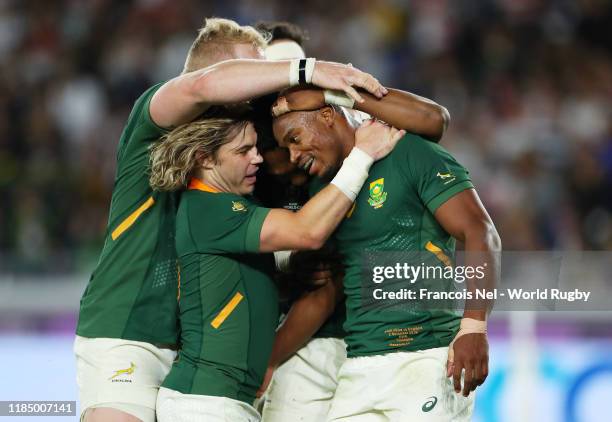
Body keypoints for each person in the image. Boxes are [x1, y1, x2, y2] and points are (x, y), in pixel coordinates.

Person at [74, 17, 388, 422]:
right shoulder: (154, 124)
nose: (260, 89)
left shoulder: (239, 155)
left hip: (192, 354)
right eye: (251, 73)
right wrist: (308, 69)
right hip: (128, 333)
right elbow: (201, 86)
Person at [148, 106, 405, 421]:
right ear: (205, 158)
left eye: (256, 147)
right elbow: (307, 231)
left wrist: (286, 270)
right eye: (243, 151)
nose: (257, 158)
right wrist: (363, 154)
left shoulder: (223, 205)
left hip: (222, 401)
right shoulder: (208, 206)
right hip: (205, 403)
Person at [272, 87, 501, 421]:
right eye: (286, 148)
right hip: (360, 364)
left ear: (327, 115)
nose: (293, 155)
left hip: (426, 358)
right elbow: (330, 285)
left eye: (295, 138)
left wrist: (474, 327)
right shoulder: (325, 191)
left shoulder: (410, 152)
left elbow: (481, 233)